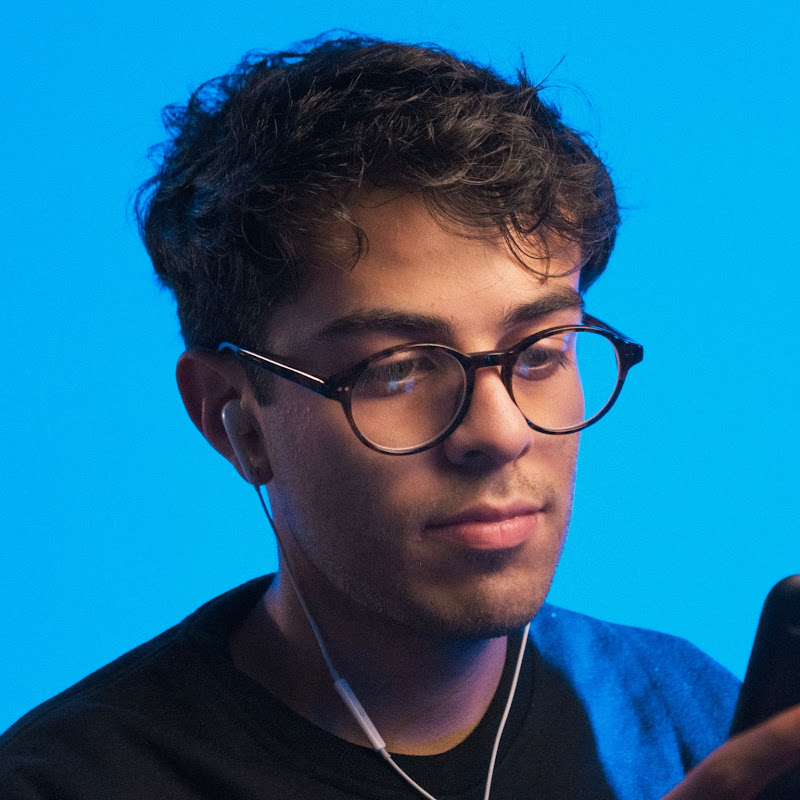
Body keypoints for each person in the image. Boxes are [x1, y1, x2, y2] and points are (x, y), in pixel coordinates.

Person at [2, 34, 799, 800]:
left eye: (540, 352)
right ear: (234, 420)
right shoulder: (66, 783)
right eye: (398, 370)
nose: (502, 433)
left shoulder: (681, 714)